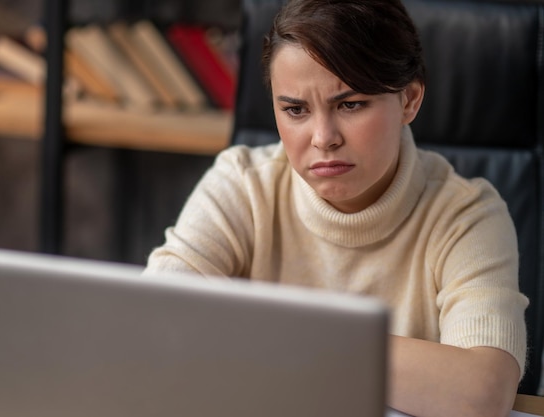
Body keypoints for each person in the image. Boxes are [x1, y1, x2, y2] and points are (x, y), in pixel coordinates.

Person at [145, 0, 528, 416]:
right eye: (295, 110)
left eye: (350, 104)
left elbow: (481, 393)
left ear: (409, 100)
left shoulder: (468, 216)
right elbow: (152, 323)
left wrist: (271, 335)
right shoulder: (243, 182)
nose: (323, 138)